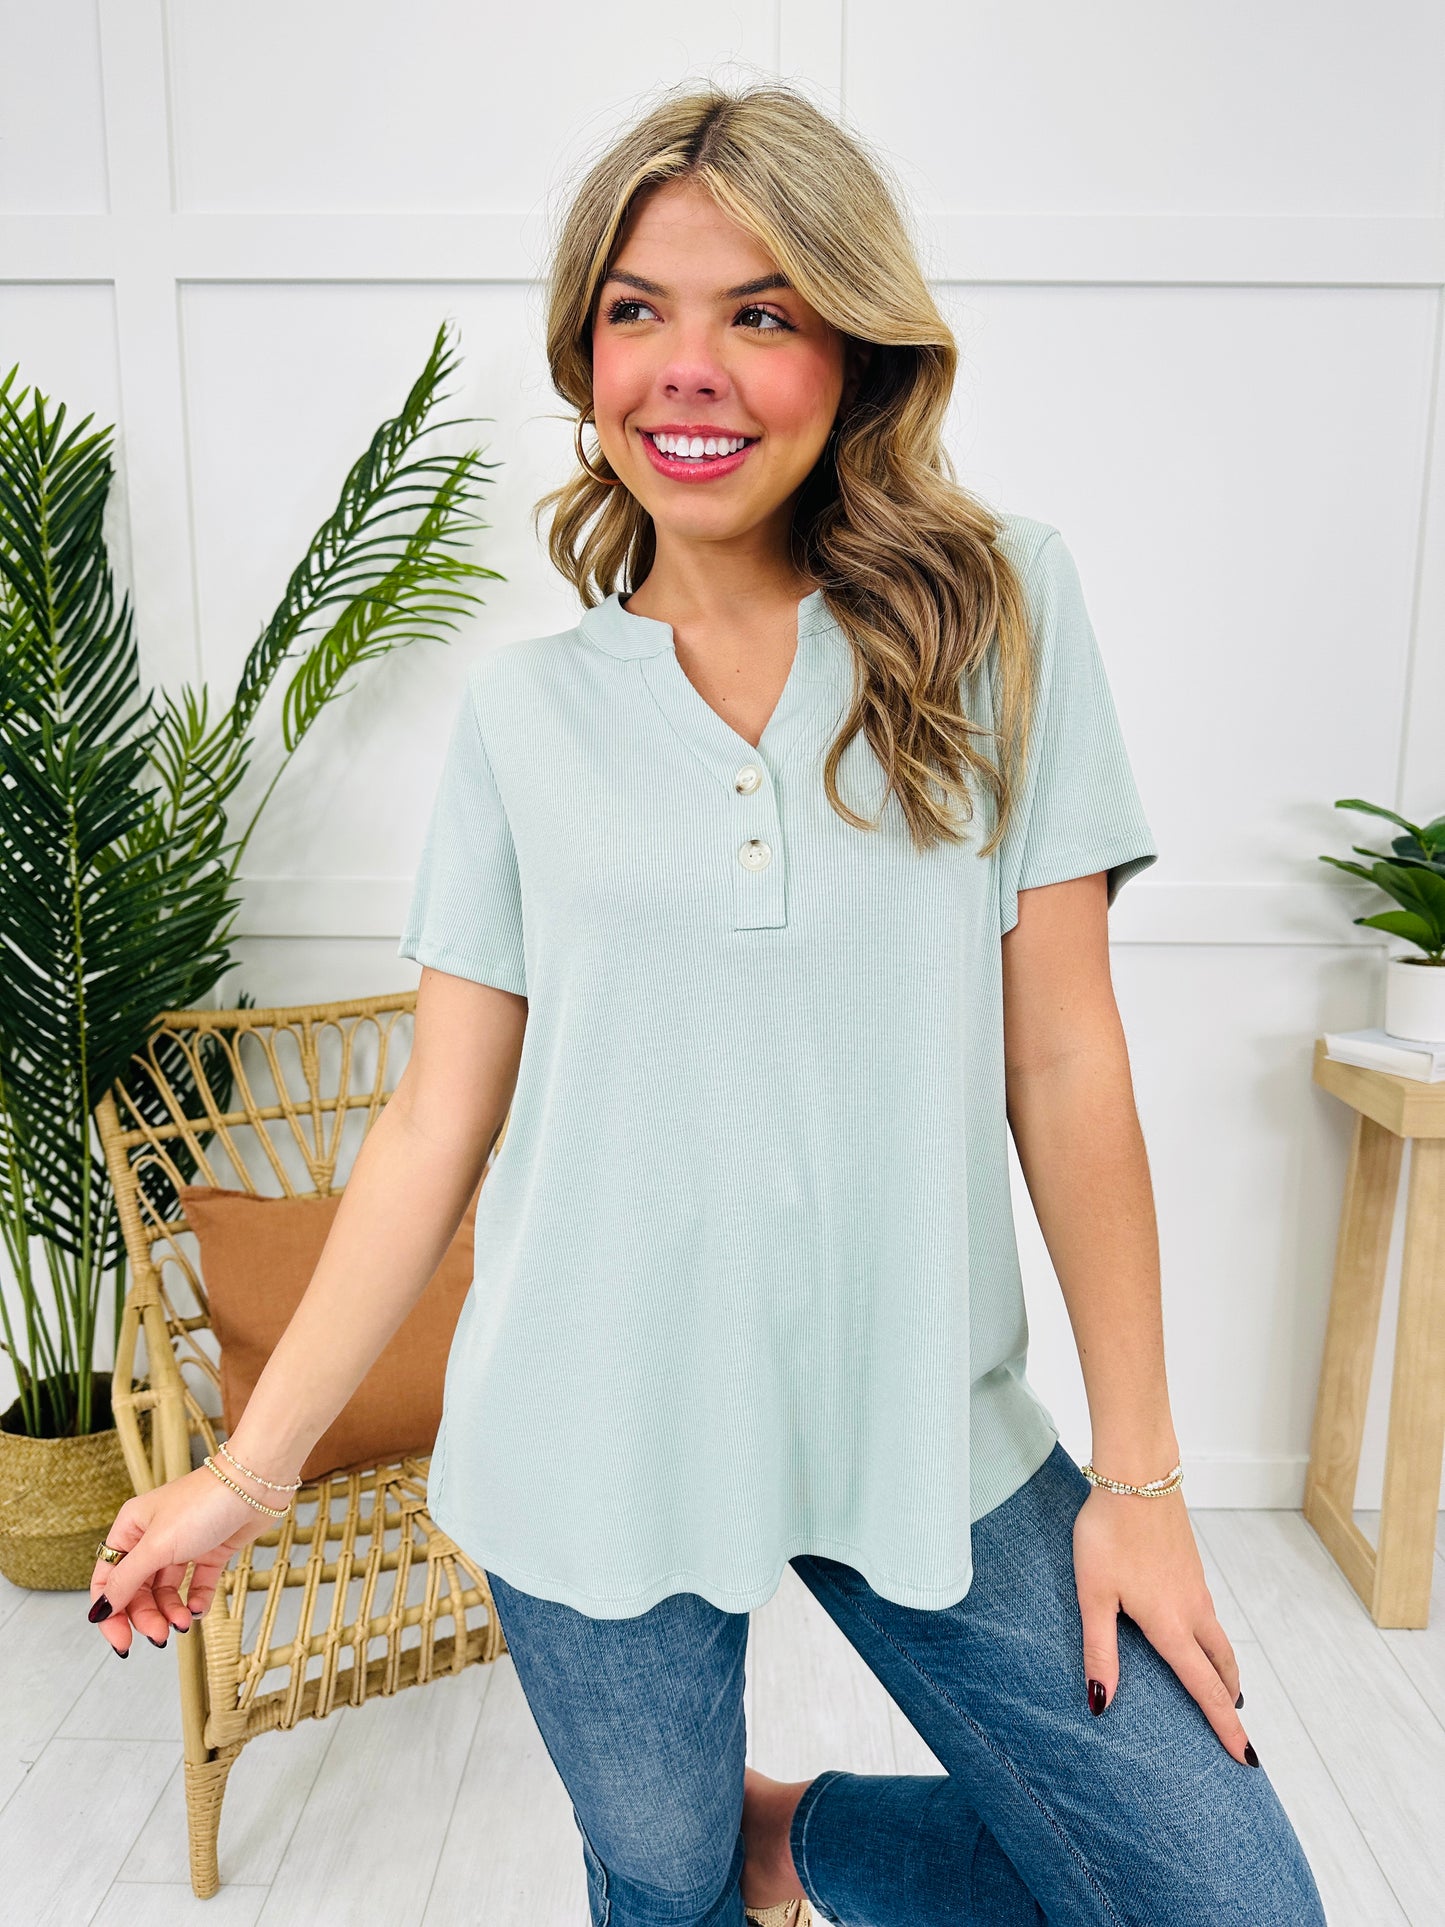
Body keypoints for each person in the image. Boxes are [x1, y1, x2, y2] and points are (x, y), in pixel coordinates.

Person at [88, 81, 1327, 1927]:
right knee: (656, 1892)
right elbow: (434, 1120)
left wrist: (1138, 1480)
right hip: (585, 1439)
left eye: (758, 312)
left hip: (925, 1421)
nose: (688, 368)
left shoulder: (996, 615)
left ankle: (789, 1835)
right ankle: (708, 1857)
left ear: (852, 349)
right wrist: (244, 1479)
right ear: (585, 359)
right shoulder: (527, 721)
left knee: (1228, 1904)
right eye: (636, 312)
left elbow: (1065, 1058)